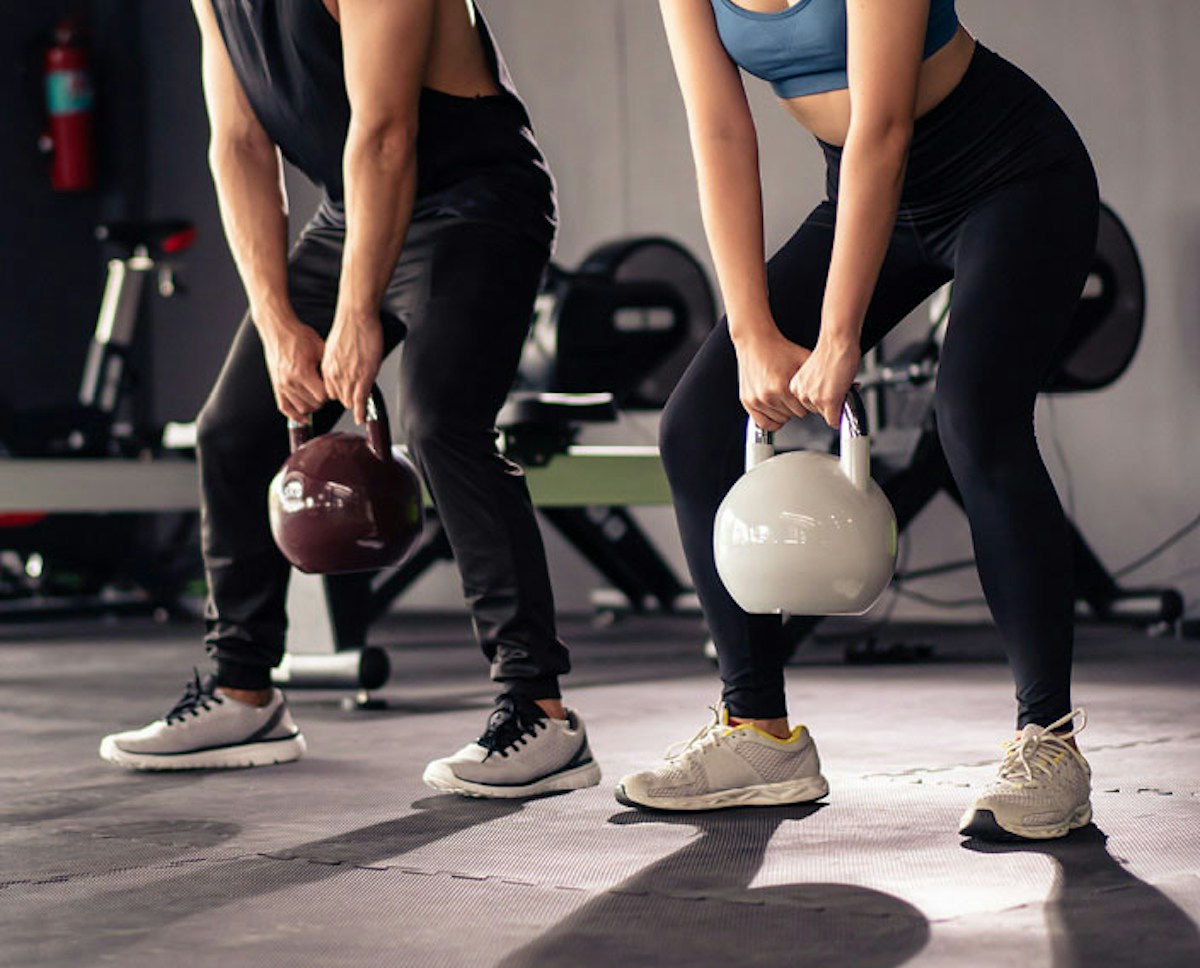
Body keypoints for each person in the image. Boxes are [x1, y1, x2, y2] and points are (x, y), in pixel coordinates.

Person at [616, 0, 1098, 840]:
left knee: (974, 415)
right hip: (866, 195)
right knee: (696, 427)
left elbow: (882, 124)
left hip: (1010, 175)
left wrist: (839, 336)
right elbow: (722, 135)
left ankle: (1048, 742)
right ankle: (757, 731)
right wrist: (750, 330)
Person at [99, 0, 601, 800]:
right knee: (231, 430)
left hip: (473, 201)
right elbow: (236, 144)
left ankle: (539, 710)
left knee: (442, 425)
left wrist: (356, 311)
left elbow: (386, 130)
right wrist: (276, 324)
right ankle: (243, 691)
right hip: (351, 207)